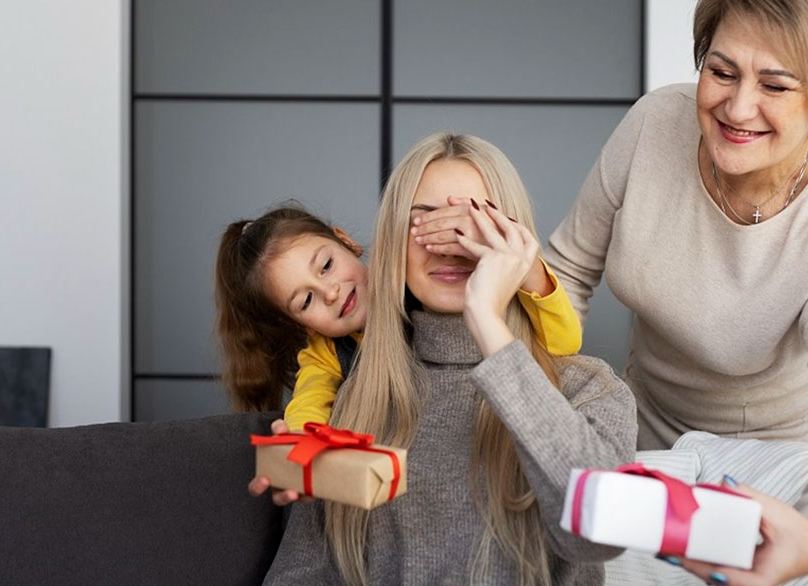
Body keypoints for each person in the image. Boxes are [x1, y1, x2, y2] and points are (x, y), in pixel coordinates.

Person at [543, 0, 808, 584]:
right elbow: (563, 273)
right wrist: (527, 409)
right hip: (640, 443)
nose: (737, 108)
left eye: (776, 84)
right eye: (721, 71)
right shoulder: (654, 125)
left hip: (766, 476)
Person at [252, 132, 637, 586]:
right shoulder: (352, 402)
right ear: (393, 240)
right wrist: (300, 447)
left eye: (473, 222)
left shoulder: (587, 388)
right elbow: (302, 573)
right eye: (426, 221)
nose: (450, 243)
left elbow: (602, 532)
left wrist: (486, 319)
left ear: (516, 241)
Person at [214, 203, 582, 430]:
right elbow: (309, 405)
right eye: (305, 301)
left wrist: (528, 267)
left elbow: (562, 344)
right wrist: (302, 441)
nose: (330, 292)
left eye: (326, 265)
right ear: (298, 323)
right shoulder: (326, 353)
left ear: (347, 242)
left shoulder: (425, 287)